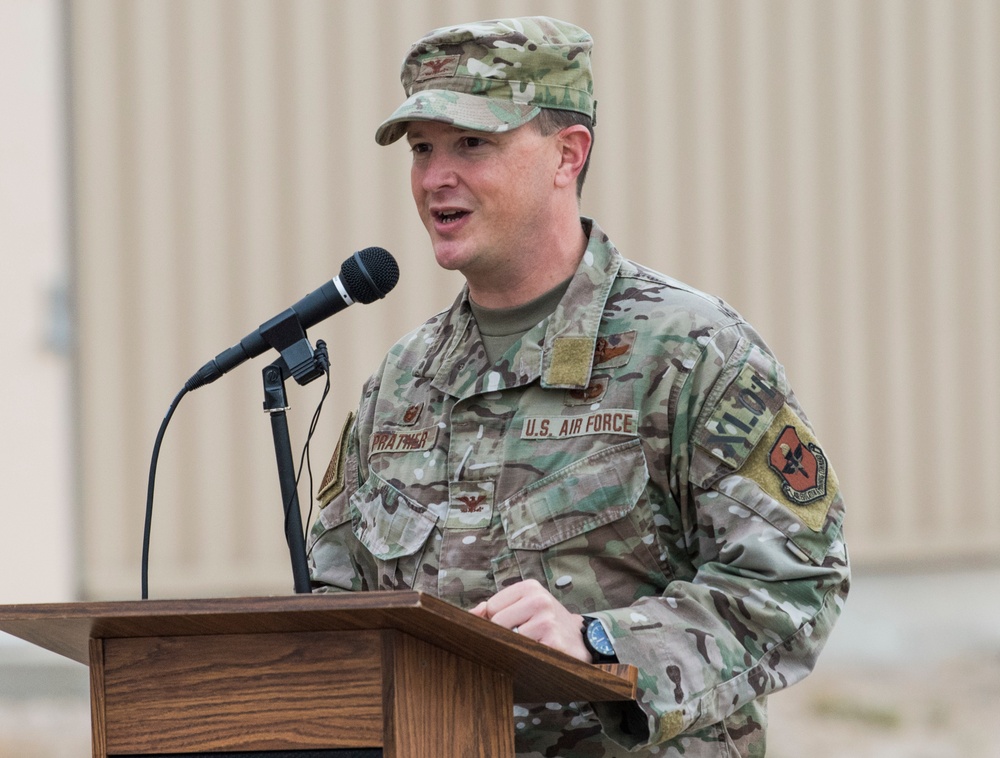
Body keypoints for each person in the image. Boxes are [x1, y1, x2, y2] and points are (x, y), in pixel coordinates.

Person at [308, 16, 849, 757]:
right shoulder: (403, 381)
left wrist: (600, 641)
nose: (436, 177)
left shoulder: (688, 353)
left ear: (568, 154)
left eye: (473, 144)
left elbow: (795, 586)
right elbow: (334, 604)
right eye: (422, 149)